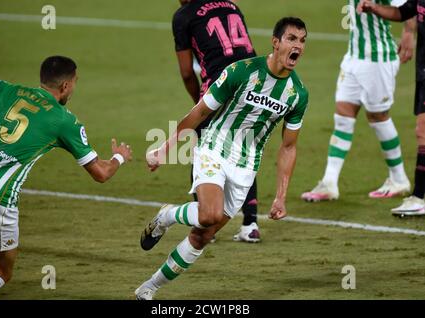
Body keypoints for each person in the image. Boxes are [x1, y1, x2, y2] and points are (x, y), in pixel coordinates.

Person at [135, 17, 309, 300]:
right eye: (291, 39)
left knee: (201, 236)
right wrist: (165, 148)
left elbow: (289, 147)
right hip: (214, 148)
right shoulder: (241, 72)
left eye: (302, 41)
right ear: (276, 43)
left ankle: (148, 288)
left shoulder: (297, 94)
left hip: (246, 167)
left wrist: (281, 196)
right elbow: (200, 112)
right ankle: (166, 215)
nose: (297, 46)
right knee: (209, 214)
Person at [0, 56, 132, 299]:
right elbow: (101, 174)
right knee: (0, 272)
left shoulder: (5, 89)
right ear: (66, 86)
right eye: (75, 82)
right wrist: (119, 157)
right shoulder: (64, 120)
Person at [301, 0, 416, 202]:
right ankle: (329, 183)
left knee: (378, 116)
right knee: (343, 117)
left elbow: (407, 6)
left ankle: (399, 179)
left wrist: (408, 33)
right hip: (354, 57)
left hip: (378, 59)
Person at [173, 0, 260, 242]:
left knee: (204, 149)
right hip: (254, 85)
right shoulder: (231, 5)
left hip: (220, 85)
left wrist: (199, 104)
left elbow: (187, 72)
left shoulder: (184, 15)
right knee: (245, 148)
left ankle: (203, 225)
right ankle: (250, 224)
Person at [357, 0, 425, 215]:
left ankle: (419, 197)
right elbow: (403, 12)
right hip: (422, 72)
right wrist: (375, 8)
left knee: (422, 132)